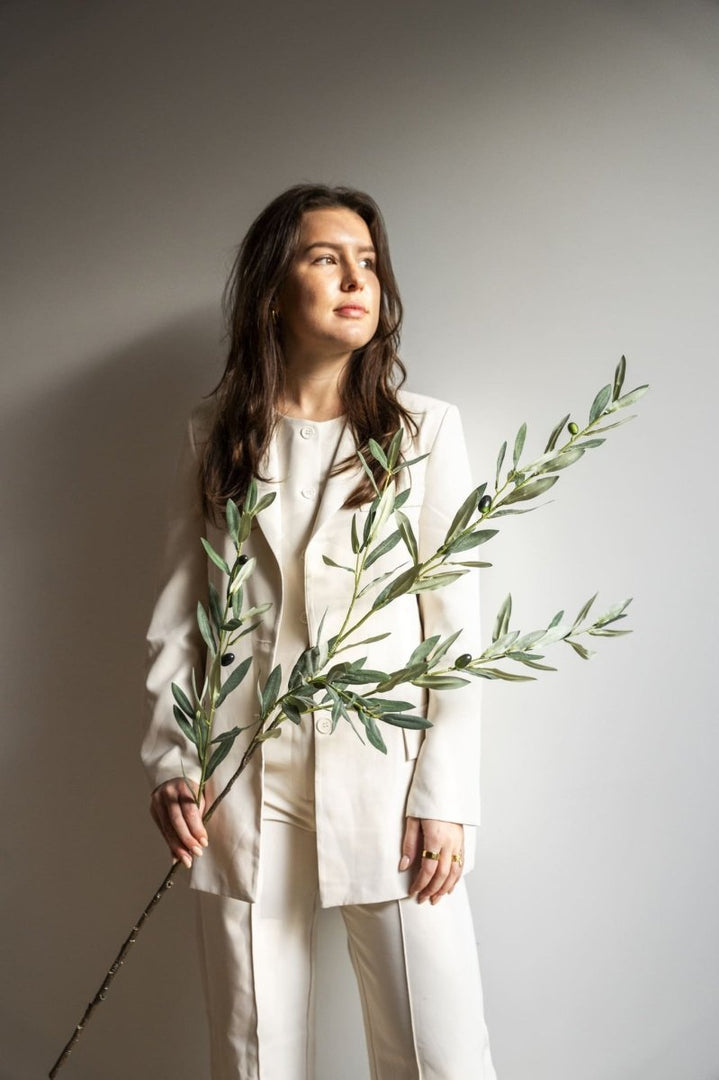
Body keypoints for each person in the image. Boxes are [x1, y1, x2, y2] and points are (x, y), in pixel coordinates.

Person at [142, 183, 497, 1079]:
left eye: (368, 262)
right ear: (271, 292)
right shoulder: (215, 433)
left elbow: (454, 629)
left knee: (438, 1052)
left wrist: (443, 793)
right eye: (325, 257)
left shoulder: (423, 435)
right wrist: (174, 764)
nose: (356, 278)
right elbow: (182, 617)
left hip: (385, 777)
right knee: (254, 1054)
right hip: (239, 777)